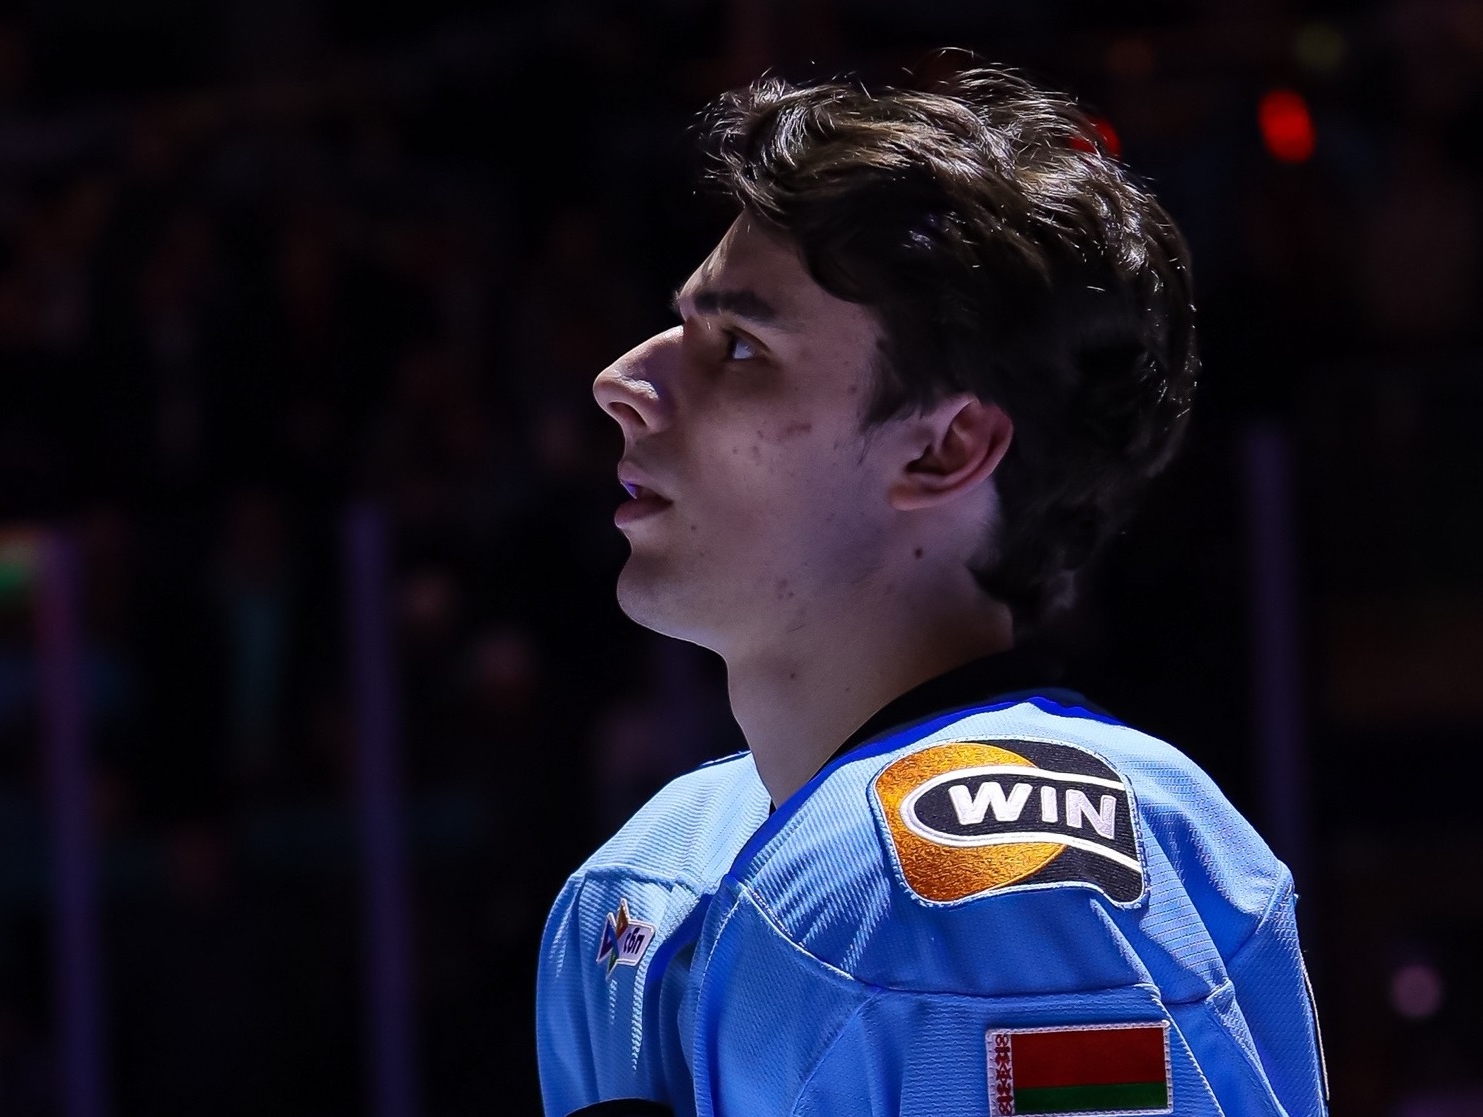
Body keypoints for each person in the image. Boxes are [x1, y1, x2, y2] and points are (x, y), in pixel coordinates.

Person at [537, 64, 1328, 1117]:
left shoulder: (1008, 871)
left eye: (740, 347)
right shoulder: (640, 879)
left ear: (945, 447)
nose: (623, 381)